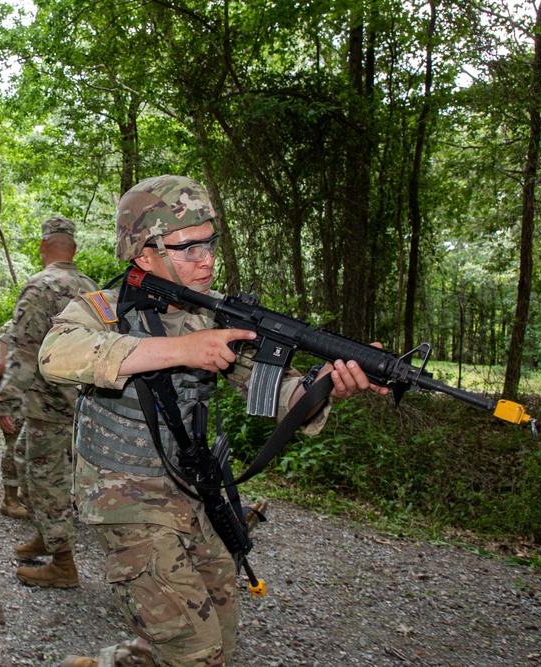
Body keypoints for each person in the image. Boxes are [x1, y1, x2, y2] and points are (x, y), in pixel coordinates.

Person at [39, 175, 388, 667]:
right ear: (144, 254)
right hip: (126, 497)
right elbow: (55, 355)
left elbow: (275, 387)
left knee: (220, 632)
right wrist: (182, 349)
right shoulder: (104, 310)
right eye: (187, 248)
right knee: (196, 652)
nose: (206, 259)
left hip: (191, 487)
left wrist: (327, 383)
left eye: (210, 243)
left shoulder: (213, 314)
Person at [0, 216, 99, 589]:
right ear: (73, 249)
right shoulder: (92, 287)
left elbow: (24, 349)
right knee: (32, 462)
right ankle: (47, 534)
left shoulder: (40, 285)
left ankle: (62, 564)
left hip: (49, 403)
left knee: (46, 478)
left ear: (43, 248)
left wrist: (6, 398)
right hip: (87, 404)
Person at [0, 320, 27, 519]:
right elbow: (3, 369)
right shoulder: (11, 327)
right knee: (13, 447)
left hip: (34, 398)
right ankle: (9, 500)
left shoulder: (43, 323)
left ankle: (21, 493)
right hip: (13, 398)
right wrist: (3, 405)